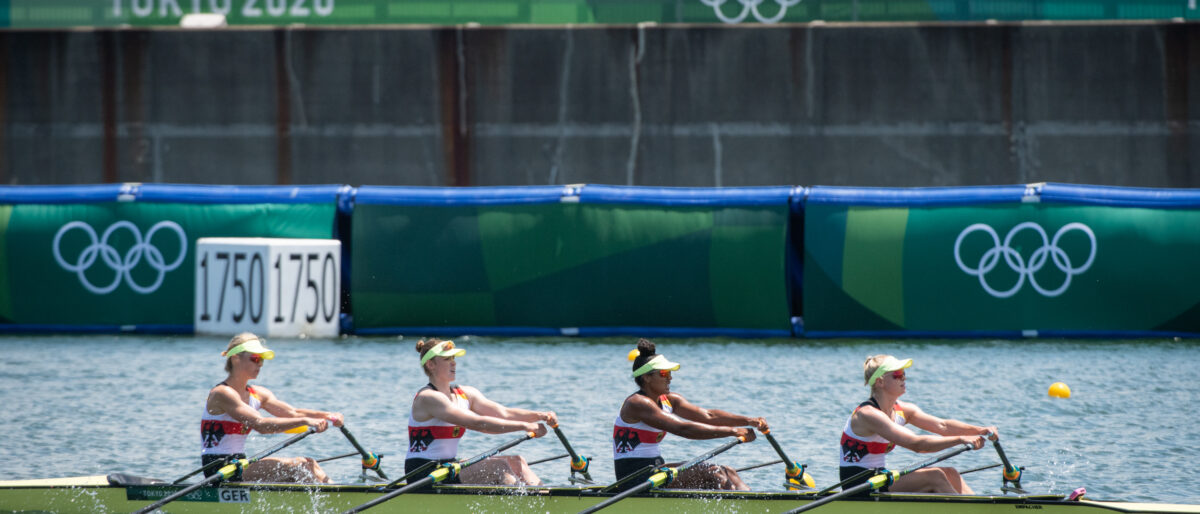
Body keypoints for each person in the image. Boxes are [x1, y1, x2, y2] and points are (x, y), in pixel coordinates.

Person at [612, 339, 761, 491]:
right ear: (646, 377)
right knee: (715, 473)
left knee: (728, 471)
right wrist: (734, 431)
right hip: (633, 479)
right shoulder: (637, 403)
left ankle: (754, 504)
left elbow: (709, 416)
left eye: (670, 373)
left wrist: (748, 421)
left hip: (654, 470)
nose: (670, 377)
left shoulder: (669, 400)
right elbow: (683, 429)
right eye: (664, 373)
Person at [838, 354, 995, 494]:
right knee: (935, 476)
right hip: (857, 484)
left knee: (950, 473)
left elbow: (943, 426)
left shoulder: (903, 410)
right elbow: (916, 445)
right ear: (880, 382)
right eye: (897, 375)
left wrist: (981, 430)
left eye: (904, 374)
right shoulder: (868, 414)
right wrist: (961, 439)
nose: (904, 378)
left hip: (879, 476)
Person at [406, 339, 552, 486]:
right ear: (431, 365)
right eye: (446, 359)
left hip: (447, 466)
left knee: (517, 462)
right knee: (499, 467)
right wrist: (525, 426)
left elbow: (504, 413)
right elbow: (479, 424)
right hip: (423, 472)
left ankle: (547, 499)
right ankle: (525, 505)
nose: (454, 363)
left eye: (453, 358)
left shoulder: (465, 394)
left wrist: (541, 416)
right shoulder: (428, 397)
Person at [201, 333, 343, 483]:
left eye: (262, 359)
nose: (260, 364)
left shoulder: (258, 394)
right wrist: (307, 421)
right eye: (255, 359)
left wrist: (328, 415)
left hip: (239, 464)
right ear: (235, 359)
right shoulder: (222, 393)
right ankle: (329, 503)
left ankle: (340, 496)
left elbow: (293, 413)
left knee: (309, 464)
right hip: (218, 468)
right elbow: (260, 425)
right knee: (298, 466)